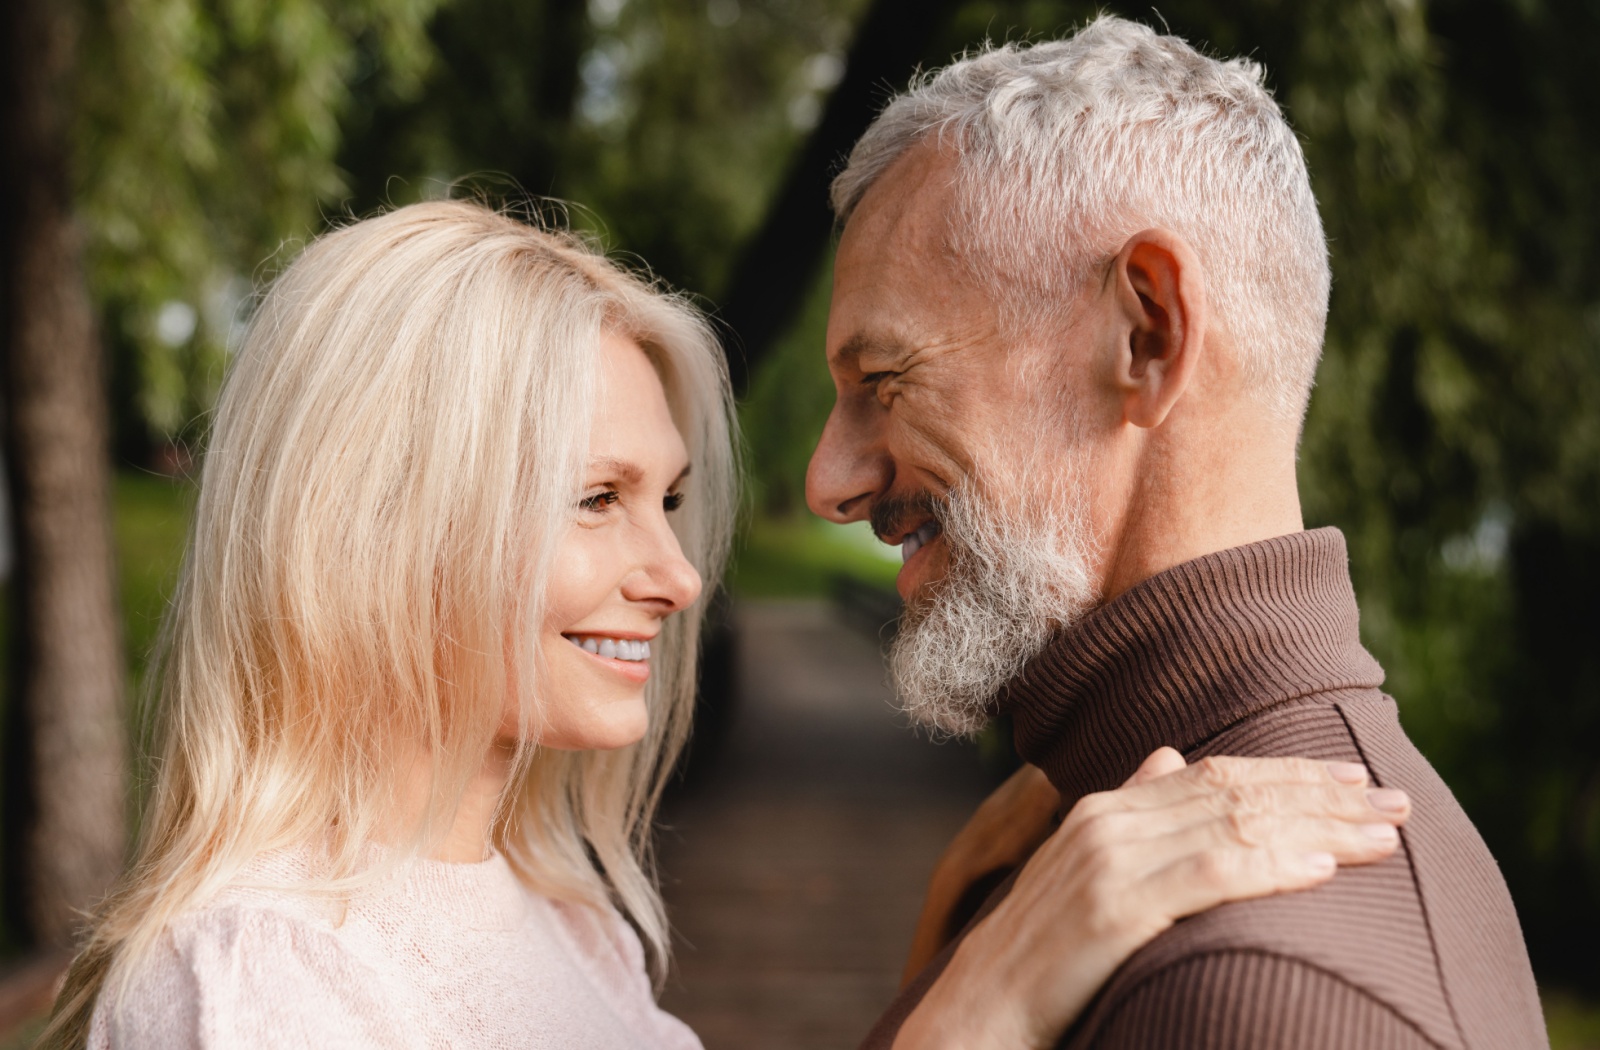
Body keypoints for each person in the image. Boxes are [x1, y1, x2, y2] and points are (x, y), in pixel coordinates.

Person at [41, 201, 1409, 1050]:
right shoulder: (258, 985)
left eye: (672, 501)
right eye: (596, 499)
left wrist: (951, 931)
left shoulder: (562, 915)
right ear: (380, 528)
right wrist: (980, 1009)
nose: (676, 576)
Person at [806, 16, 1548, 1050]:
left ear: (1148, 335)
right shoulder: (1076, 846)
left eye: (886, 380)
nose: (827, 482)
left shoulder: (1258, 998)